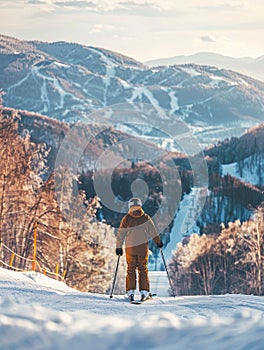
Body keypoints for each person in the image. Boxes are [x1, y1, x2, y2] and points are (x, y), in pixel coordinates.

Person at [116, 197, 163, 302]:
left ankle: (130, 292)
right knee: (143, 269)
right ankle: (144, 292)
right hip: (142, 248)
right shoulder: (145, 218)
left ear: (130, 206)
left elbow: (120, 234)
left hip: (130, 248)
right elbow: (153, 232)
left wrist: (118, 247)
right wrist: (158, 242)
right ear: (140, 206)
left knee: (131, 269)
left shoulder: (126, 219)